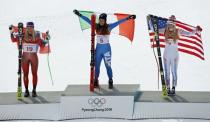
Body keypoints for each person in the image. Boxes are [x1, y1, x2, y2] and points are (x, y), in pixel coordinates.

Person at [73, 9, 136, 89]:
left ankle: (110, 80)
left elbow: (118, 22)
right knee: (97, 65)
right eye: (100, 20)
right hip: (98, 49)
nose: (101, 22)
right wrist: (79, 14)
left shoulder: (109, 27)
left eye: (102, 20)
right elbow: (88, 20)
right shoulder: (96, 26)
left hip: (106, 50)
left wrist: (128, 18)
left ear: (105, 21)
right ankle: (96, 80)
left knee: (108, 66)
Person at [160, 15, 202, 95]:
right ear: (168, 22)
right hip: (166, 54)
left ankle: (173, 88)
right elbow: (155, 29)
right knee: (167, 72)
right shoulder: (164, 30)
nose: (171, 24)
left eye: (173, 21)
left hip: (175, 55)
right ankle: (168, 88)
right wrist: (150, 21)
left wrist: (195, 30)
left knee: (174, 72)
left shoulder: (178, 31)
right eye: (170, 21)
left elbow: (189, 34)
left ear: (175, 23)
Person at [9, 22, 50, 97]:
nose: (30, 29)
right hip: (25, 57)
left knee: (34, 74)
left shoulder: (37, 37)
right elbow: (13, 39)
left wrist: (47, 38)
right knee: (25, 74)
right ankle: (26, 90)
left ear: (33, 28)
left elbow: (43, 44)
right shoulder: (22, 36)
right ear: (26, 28)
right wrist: (11, 32)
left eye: (31, 28)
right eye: (28, 28)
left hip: (34, 57)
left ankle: (34, 90)